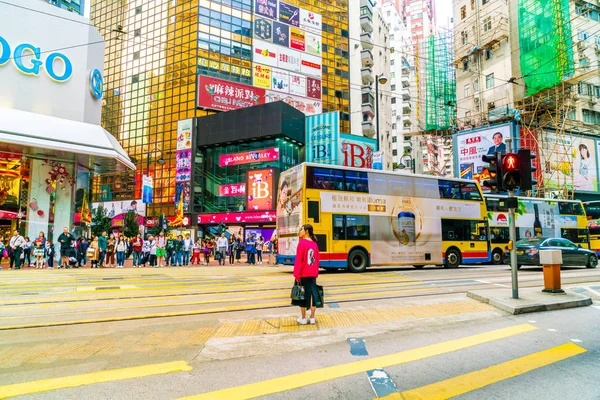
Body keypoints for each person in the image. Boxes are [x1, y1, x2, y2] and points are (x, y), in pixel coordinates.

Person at [293, 224, 321, 325]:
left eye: (301, 230)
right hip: (313, 274)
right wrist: (316, 272)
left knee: (302, 295)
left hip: (303, 274)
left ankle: (304, 318)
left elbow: (299, 260)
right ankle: (312, 318)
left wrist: (296, 274)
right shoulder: (314, 244)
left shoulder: (302, 243)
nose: (300, 231)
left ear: (306, 231)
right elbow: (317, 260)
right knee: (313, 295)